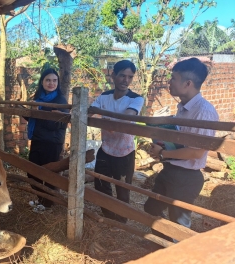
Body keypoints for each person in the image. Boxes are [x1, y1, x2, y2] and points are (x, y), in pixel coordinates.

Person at [145, 58, 219, 241]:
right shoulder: (182, 108)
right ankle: (162, 245)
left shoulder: (204, 112)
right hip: (171, 169)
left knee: (178, 222)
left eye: (173, 78)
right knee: (151, 208)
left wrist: (162, 153)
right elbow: (180, 140)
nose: (169, 82)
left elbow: (196, 152)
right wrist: (161, 145)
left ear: (188, 83)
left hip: (187, 176)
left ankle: (177, 253)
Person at [90, 60, 144, 223]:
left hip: (125, 152)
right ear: (113, 75)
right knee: (100, 184)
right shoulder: (104, 97)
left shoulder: (136, 99)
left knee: (122, 189)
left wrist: (109, 122)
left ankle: (121, 221)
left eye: (130, 77)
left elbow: (126, 118)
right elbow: (89, 112)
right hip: (106, 149)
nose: (125, 80)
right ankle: (109, 216)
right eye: (122, 75)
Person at [24, 68, 69, 208]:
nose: (51, 83)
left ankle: (47, 204)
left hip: (52, 143)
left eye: (54, 80)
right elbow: (31, 117)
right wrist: (28, 111)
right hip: (37, 140)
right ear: (42, 82)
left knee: (49, 173)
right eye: (48, 80)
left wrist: (40, 113)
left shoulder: (60, 100)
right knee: (32, 173)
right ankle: (43, 200)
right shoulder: (39, 97)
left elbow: (56, 125)